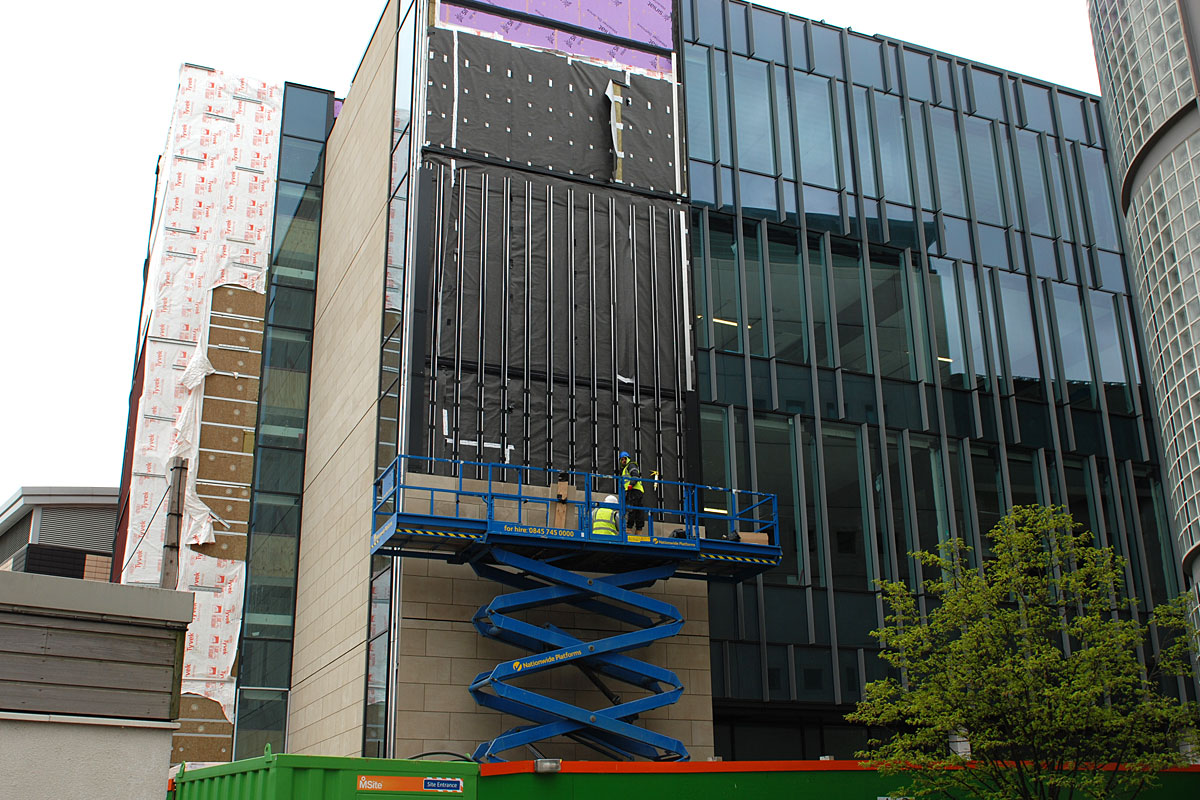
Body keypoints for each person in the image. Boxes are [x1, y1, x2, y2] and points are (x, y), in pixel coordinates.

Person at [618, 451, 645, 532]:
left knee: (632, 509)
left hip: (633, 490)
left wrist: (631, 485)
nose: (623, 460)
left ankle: (629, 528)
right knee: (638, 510)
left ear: (628, 459)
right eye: (622, 459)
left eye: (624, 459)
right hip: (636, 490)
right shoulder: (624, 469)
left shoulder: (630, 465)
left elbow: (635, 475)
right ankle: (638, 530)